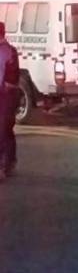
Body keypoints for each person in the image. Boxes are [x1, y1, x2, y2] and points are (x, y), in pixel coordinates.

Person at [0, 22, 21, 181]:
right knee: (5, 130)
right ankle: (9, 161)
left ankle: (6, 164)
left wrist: (7, 84)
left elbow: (13, 76)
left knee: (4, 128)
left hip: (7, 95)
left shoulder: (10, 51)